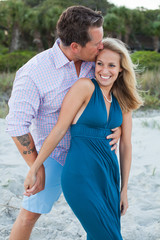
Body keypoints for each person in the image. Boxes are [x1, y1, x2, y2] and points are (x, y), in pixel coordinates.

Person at [6, 6, 121, 240]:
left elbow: (115, 94)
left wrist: (115, 125)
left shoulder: (96, 62)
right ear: (75, 47)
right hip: (55, 155)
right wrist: (35, 167)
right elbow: (17, 126)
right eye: (96, 43)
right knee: (29, 215)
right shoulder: (34, 73)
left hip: (94, 153)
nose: (102, 46)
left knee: (105, 216)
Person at [24, 37, 143, 239]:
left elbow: (126, 147)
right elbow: (60, 129)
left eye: (112, 65)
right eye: (99, 63)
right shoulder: (85, 87)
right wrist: (34, 168)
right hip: (80, 175)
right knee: (105, 235)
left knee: (107, 233)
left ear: (121, 69)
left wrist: (124, 190)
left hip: (109, 177)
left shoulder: (123, 99)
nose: (104, 70)